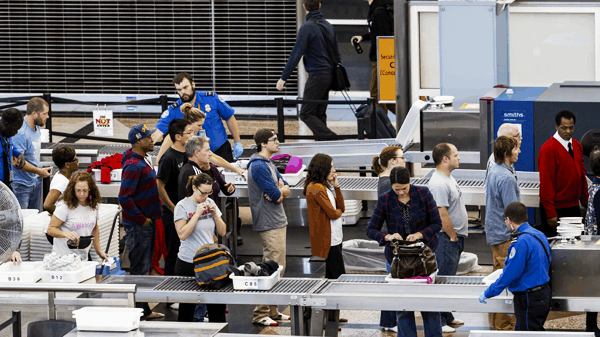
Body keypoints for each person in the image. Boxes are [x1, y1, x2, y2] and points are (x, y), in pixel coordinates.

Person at [367, 166, 443, 337]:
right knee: (403, 307)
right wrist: (387, 237)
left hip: (424, 258)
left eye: (404, 188)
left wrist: (420, 234)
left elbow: (437, 224)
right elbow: (371, 229)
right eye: (396, 189)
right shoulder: (385, 199)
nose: (401, 192)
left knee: (429, 306)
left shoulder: (423, 194)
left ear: (410, 182)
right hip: (397, 259)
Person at [480, 202, 551, 332]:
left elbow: (511, 273)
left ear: (509, 220)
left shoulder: (520, 242)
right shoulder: (539, 234)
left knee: (527, 333)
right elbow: (546, 260)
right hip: (544, 293)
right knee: (530, 330)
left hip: (529, 298)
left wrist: (489, 292)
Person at [276, 0, 340, 140]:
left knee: (306, 113)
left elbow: (296, 54)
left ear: (304, 7)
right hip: (329, 75)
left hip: (317, 75)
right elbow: (337, 54)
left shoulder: (307, 28)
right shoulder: (329, 26)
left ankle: (331, 138)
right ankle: (324, 145)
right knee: (319, 113)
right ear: (320, 5)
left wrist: (283, 78)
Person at [118, 124, 163, 320]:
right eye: (148, 138)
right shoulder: (133, 166)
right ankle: (139, 313)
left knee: (143, 268)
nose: (153, 140)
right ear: (138, 141)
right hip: (139, 226)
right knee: (139, 269)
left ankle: (144, 310)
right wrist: (141, 220)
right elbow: (124, 197)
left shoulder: (140, 160)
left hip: (145, 222)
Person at [247, 129, 290, 326]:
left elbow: (285, 188)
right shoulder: (258, 167)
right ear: (263, 143)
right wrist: (279, 191)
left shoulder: (269, 163)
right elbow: (275, 195)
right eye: (274, 140)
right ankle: (260, 312)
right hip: (269, 221)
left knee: (278, 268)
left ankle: (273, 310)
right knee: (269, 268)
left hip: (278, 220)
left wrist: (281, 190)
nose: (278, 142)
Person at [153, 72, 242, 164]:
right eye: (179, 90)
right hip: (195, 156)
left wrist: (237, 142)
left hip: (220, 150)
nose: (183, 92)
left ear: (193, 84)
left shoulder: (212, 99)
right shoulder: (174, 110)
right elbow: (158, 131)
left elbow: (229, 117)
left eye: (185, 87)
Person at [174, 173, 227, 323]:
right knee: (187, 309)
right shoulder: (182, 206)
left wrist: (215, 214)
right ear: (193, 188)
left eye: (208, 192)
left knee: (217, 309)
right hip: (189, 262)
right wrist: (196, 215)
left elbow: (222, 231)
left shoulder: (210, 202)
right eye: (202, 192)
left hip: (210, 263)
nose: (205, 196)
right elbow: (182, 234)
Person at [428, 143, 467, 333]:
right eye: (456, 155)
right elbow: (441, 213)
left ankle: (447, 314)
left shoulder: (447, 178)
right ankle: (439, 321)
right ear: (445, 159)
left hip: (454, 238)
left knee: (449, 278)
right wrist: (452, 236)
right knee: (442, 279)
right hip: (445, 240)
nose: (459, 158)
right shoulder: (438, 184)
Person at [485, 135, 521, 331]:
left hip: (496, 232)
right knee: (504, 278)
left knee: (498, 275)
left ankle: (495, 321)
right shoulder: (505, 177)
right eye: (516, 149)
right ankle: (503, 326)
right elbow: (512, 211)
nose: (519, 152)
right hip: (503, 236)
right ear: (507, 153)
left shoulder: (497, 169)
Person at [539, 110, 588, 238]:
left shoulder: (577, 146)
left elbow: (582, 175)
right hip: (556, 210)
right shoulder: (548, 149)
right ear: (556, 127)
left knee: (575, 244)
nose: (568, 131)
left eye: (571, 128)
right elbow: (546, 183)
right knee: (556, 249)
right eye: (564, 128)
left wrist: (586, 202)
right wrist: (550, 213)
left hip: (573, 207)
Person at [372, 145, 405, 333]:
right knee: (394, 277)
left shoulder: (386, 181)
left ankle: (389, 319)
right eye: (402, 158)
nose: (404, 161)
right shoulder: (387, 184)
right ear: (393, 161)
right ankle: (390, 320)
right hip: (393, 240)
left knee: (393, 276)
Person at [157, 119, 194, 277]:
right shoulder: (169, 158)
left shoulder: (188, 154)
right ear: (178, 137)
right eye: (189, 133)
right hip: (172, 213)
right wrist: (174, 209)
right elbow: (160, 187)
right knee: (173, 253)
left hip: (187, 212)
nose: (193, 135)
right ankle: (170, 294)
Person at [46, 171, 109, 261]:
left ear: (90, 190)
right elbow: (50, 229)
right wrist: (66, 234)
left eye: (85, 190)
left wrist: (99, 251)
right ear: (73, 190)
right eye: (78, 190)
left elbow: (94, 228)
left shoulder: (93, 205)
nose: (82, 194)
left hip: (82, 257)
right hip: (63, 258)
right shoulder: (64, 206)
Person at [305, 153, 345, 278]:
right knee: (338, 275)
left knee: (331, 274)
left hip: (335, 236)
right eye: (331, 167)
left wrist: (336, 186)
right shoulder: (316, 188)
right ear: (323, 168)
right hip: (329, 239)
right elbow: (333, 214)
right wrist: (339, 212)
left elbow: (341, 207)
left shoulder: (323, 187)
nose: (334, 170)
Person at [351, 0, 395, 114]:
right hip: (385, 58)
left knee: (376, 94)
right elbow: (379, 31)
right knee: (387, 98)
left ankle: (383, 129)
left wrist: (382, 60)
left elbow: (384, 36)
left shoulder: (378, 12)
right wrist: (363, 37)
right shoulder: (380, 8)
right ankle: (411, 121)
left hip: (382, 59)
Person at [12, 98, 52, 210]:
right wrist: (39, 171)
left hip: (34, 180)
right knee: (23, 220)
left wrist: (38, 172)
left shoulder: (37, 127)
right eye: (45, 113)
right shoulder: (20, 133)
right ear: (34, 114)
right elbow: (17, 162)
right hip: (21, 185)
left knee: (35, 218)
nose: (47, 116)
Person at [178, 136, 236, 204]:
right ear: (196, 152)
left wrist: (229, 188)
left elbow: (224, 187)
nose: (210, 154)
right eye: (207, 150)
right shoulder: (190, 172)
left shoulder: (211, 168)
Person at [584, 148, 600, 336]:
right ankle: (591, 325)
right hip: (597, 244)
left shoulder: (594, 185)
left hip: (592, 242)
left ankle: (591, 323)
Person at [484, 123, 522, 190]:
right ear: (507, 139)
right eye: (517, 135)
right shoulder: (496, 162)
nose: (520, 138)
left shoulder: (506, 158)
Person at [44, 146, 78, 215]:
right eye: (75, 160)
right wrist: (63, 215)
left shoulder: (64, 176)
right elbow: (47, 205)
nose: (78, 162)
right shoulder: (61, 182)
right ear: (67, 164)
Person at [0, 108, 25, 191]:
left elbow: (10, 147)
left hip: (7, 186)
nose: (16, 133)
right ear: (7, 124)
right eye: (15, 129)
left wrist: (19, 154)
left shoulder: (7, 135)